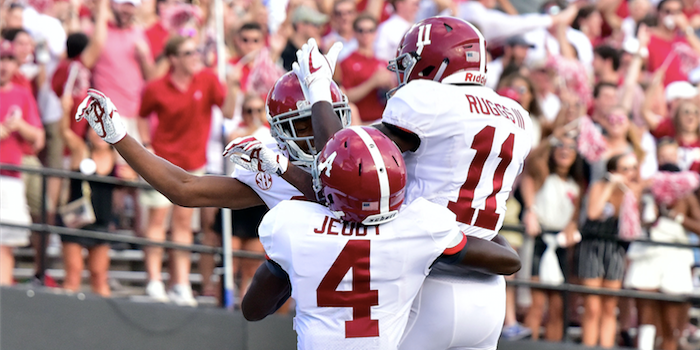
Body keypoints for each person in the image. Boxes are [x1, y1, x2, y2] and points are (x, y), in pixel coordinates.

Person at [286, 16, 532, 350]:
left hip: (427, 278)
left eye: (410, 64)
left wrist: (318, 89)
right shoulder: (516, 114)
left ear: (438, 63)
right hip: (488, 289)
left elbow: (341, 161)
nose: (403, 73)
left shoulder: (427, 100)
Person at [240, 126, 521, 350]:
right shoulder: (420, 227)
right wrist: (489, 231)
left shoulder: (292, 223)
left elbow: (254, 309)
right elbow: (508, 262)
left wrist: (299, 270)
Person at [136, 35, 237, 305]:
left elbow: (227, 111)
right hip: (161, 163)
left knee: (182, 225)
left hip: (194, 164)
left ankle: (180, 283)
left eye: (196, 51)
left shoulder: (207, 79)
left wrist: (234, 84)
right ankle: (154, 280)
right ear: (173, 59)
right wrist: (147, 145)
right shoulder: (156, 87)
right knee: (157, 222)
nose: (196, 56)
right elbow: (142, 115)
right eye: (188, 52)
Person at [578, 152, 642, 348]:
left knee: (609, 306)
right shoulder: (599, 186)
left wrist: (625, 189)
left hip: (615, 248)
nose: (630, 173)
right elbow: (593, 212)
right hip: (593, 245)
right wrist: (611, 186)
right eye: (625, 169)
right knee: (592, 307)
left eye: (633, 168)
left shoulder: (633, 191)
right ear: (613, 171)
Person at [0, 40, 44, 286]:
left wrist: (19, 126)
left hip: (12, 177)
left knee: (7, 243)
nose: (3, 65)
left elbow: (38, 138)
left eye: (8, 59)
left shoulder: (22, 94)